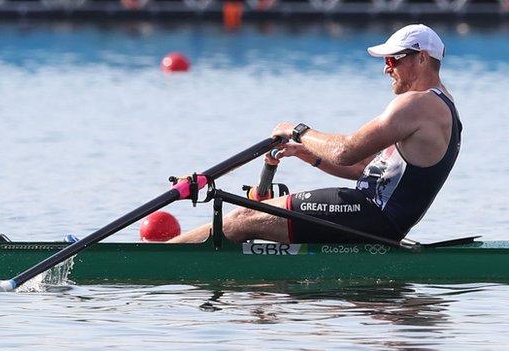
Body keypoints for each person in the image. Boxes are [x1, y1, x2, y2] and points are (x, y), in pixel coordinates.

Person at [169, 24, 462, 244]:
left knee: (245, 217)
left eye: (394, 60)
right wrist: (309, 155)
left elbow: (346, 150)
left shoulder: (419, 104)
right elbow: (364, 168)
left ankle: (161, 259)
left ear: (422, 58)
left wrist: (298, 131)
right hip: (373, 216)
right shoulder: (441, 107)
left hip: (372, 216)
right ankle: (182, 253)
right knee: (254, 210)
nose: (387, 68)